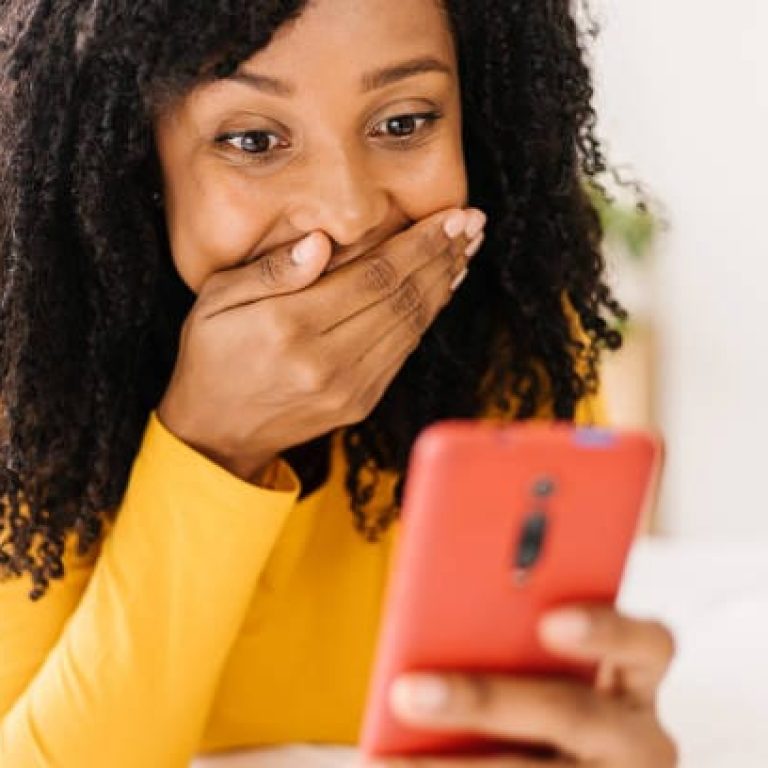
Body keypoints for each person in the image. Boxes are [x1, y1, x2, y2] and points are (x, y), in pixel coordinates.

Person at [0, 1, 677, 765]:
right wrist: (212, 445)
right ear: (130, 157)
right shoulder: (28, 376)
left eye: (403, 122)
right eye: (253, 139)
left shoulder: (518, 342)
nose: (350, 214)